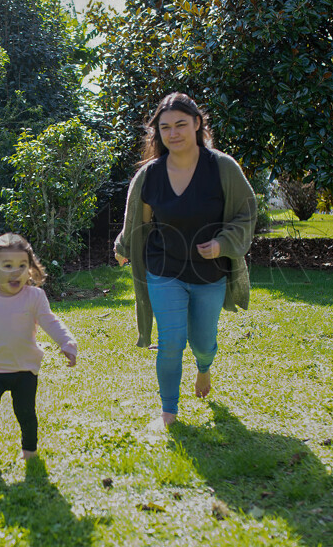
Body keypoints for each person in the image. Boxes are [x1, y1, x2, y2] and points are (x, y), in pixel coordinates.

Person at [114, 92, 256, 426]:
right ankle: (169, 412)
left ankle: (204, 369)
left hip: (210, 273)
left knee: (203, 342)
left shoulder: (221, 167)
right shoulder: (150, 175)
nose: (173, 133)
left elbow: (246, 213)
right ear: (157, 133)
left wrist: (223, 244)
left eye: (180, 124)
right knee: (171, 341)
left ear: (197, 124)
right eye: (165, 127)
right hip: (164, 269)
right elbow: (138, 219)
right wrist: (124, 245)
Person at [0, 232, 77, 460]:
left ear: (30, 268)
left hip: (25, 369)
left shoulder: (34, 297)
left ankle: (29, 451)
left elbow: (50, 320)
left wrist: (66, 342)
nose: (15, 271)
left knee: (26, 413)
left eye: (22, 265)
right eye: (7, 265)